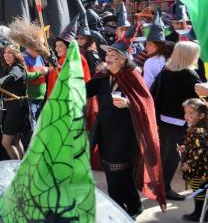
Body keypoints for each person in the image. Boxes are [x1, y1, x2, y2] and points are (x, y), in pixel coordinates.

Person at [88, 34, 167, 219]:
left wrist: (129, 104)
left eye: (112, 57)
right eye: (106, 57)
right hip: (105, 132)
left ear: (123, 59)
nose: (107, 60)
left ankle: (132, 207)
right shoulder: (104, 76)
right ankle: (119, 207)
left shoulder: (132, 76)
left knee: (121, 175)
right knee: (110, 173)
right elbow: (84, 89)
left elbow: (145, 104)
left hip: (125, 135)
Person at [150, 41, 201, 202]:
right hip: (180, 121)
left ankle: (159, 185)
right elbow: (197, 100)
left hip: (164, 118)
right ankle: (164, 189)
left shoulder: (166, 70)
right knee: (173, 156)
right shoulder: (189, 75)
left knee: (167, 154)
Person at [0, 41, 29, 160]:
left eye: (10, 53)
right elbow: (9, 80)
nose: (6, 55)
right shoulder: (11, 67)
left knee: (6, 143)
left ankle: (18, 169)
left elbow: (12, 76)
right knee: (16, 141)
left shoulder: (17, 68)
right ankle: (22, 167)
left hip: (16, 110)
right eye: (5, 52)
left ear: (16, 55)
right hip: (14, 108)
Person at [178, 98, 208, 221]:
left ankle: (198, 214)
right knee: (199, 191)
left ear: (201, 115)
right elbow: (198, 145)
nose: (186, 116)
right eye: (186, 113)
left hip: (199, 170)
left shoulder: (198, 131)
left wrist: (189, 164)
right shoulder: (198, 129)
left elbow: (200, 150)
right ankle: (202, 213)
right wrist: (186, 147)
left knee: (199, 191)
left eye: (191, 114)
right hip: (201, 168)